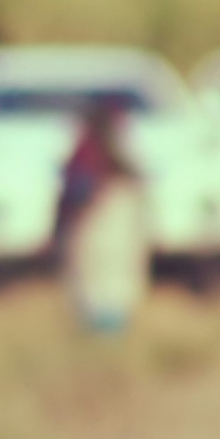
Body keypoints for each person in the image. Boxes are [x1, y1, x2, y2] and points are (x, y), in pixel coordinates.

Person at [54, 96, 153, 337]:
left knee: (100, 293)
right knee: (109, 292)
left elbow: (71, 200)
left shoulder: (87, 157)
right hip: (111, 241)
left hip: (99, 239)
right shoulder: (112, 163)